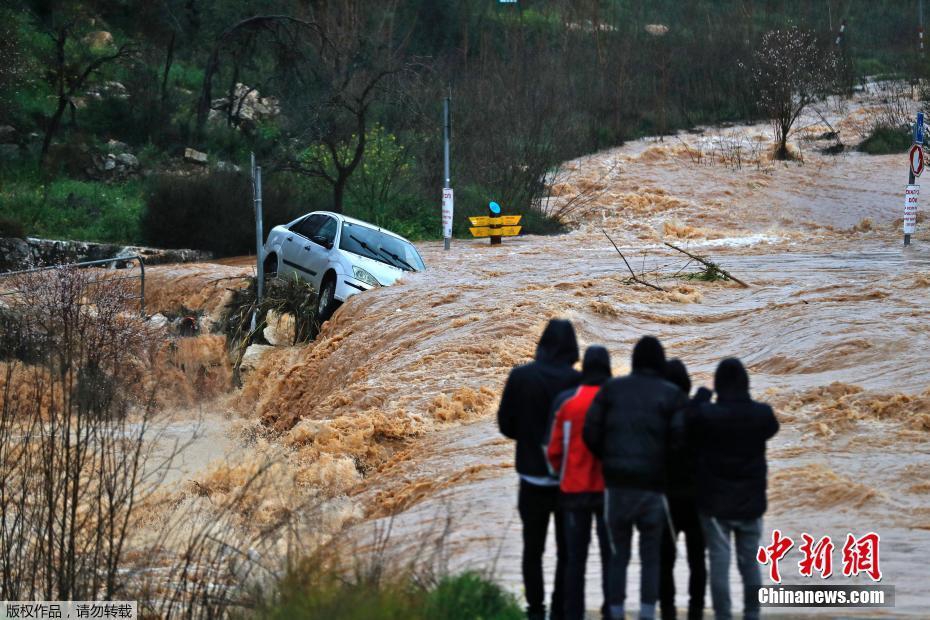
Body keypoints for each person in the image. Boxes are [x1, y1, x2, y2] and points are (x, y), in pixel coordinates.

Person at [583, 336, 686, 620]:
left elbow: (590, 433)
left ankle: (615, 612)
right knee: (651, 556)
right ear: (660, 362)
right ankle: (646, 614)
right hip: (652, 488)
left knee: (619, 554)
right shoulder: (671, 394)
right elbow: (680, 442)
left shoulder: (611, 389)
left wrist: (609, 459)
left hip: (616, 487)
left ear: (634, 360)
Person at [498, 319, 582, 620]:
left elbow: (505, 426)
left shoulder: (520, 376)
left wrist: (530, 438)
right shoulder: (577, 383)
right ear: (572, 347)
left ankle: (535, 610)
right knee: (566, 552)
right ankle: (560, 610)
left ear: (542, 343)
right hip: (567, 483)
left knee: (532, 549)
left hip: (531, 477)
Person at [690, 358, 779, 620]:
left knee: (719, 562)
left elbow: (689, 416)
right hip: (751, 503)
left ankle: (723, 615)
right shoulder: (761, 414)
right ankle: (752, 613)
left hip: (715, 505)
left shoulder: (709, 415)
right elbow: (772, 428)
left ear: (720, 385)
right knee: (750, 563)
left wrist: (706, 391)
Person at [547, 346, 614, 620]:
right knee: (611, 557)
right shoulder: (614, 400)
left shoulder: (568, 402)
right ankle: (612, 611)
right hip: (609, 490)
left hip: (574, 489)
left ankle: (573, 614)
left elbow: (553, 451)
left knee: (575, 560)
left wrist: (559, 473)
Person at [658, 359, 709, 620]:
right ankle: (696, 610)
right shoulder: (699, 412)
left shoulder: (658, 417)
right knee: (697, 560)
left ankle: (667, 611)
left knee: (665, 560)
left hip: (667, 499)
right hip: (697, 498)